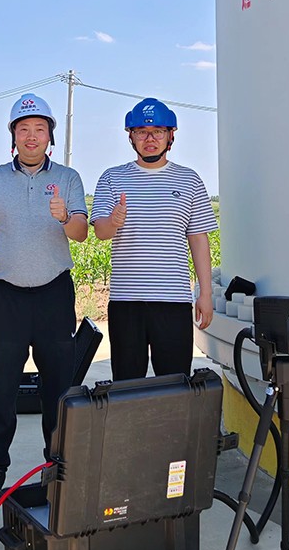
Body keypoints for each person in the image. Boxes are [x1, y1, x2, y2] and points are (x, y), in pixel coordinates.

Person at [0, 93, 88, 506]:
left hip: (54, 293)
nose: (31, 136)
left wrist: (64, 216)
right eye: (23, 129)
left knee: (59, 385)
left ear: (50, 136)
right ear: (13, 136)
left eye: (39, 129)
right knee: (1, 385)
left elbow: (80, 233)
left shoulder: (68, 178)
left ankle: (58, 465)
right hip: (7, 296)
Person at [91, 98, 217, 381]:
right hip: (127, 301)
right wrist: (113, 221)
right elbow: (100, 232)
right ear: (131, 137)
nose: (150, 139)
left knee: (175, 382)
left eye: (157, 131)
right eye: (141, 132)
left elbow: (198, 239)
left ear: (170, 136)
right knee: (127, 383)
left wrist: (205, 294)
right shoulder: (112, 178)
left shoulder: (189, 180)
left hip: (173, 300)